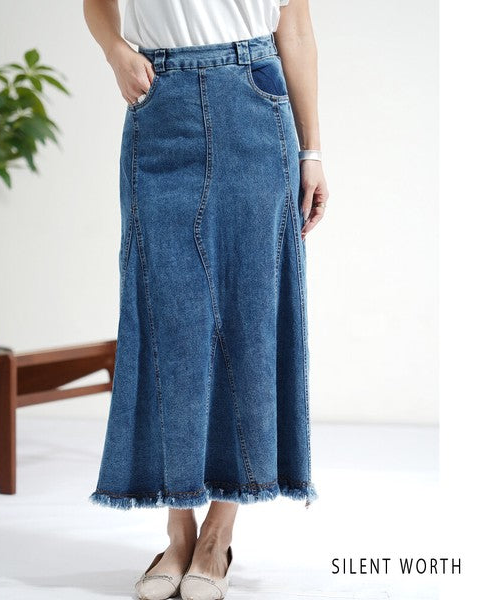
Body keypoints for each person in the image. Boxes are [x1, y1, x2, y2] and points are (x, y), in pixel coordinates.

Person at [83, 1, 329, 598]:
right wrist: (116, 51)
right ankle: (178, 529)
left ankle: (218, 532)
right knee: (169, 318)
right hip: (160, 102)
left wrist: (312, 152)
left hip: (255, 99)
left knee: (250, 313)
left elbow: (295, 29)